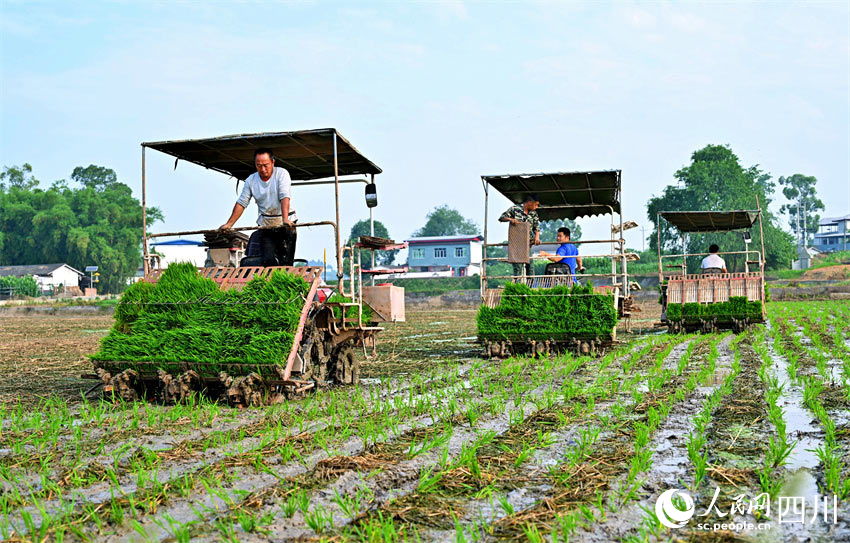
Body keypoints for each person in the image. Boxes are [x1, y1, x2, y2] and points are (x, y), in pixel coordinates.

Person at [219, 148, 295, 266]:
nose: (263, 169)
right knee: (268, 260)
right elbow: (242, 203)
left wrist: (285, 220)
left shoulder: (282, 174)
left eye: (266, 165)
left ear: (273, 162)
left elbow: (284, 196)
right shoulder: (251, 180)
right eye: (259, 166)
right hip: (266, 225)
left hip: (285, 223)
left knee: (285, 261)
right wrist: (229, 224)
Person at [499, 193, 541, 278]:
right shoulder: (515, 209)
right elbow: (501, 217)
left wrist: (537, 237)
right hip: (516, 245)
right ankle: (517, 286)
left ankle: (530, 288)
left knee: (531, 267)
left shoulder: (534, 214)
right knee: (518, 268)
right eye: (535, 205)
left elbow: (537, 227)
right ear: (529, 202)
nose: (536, 207)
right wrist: (510, 219)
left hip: (528, 244)